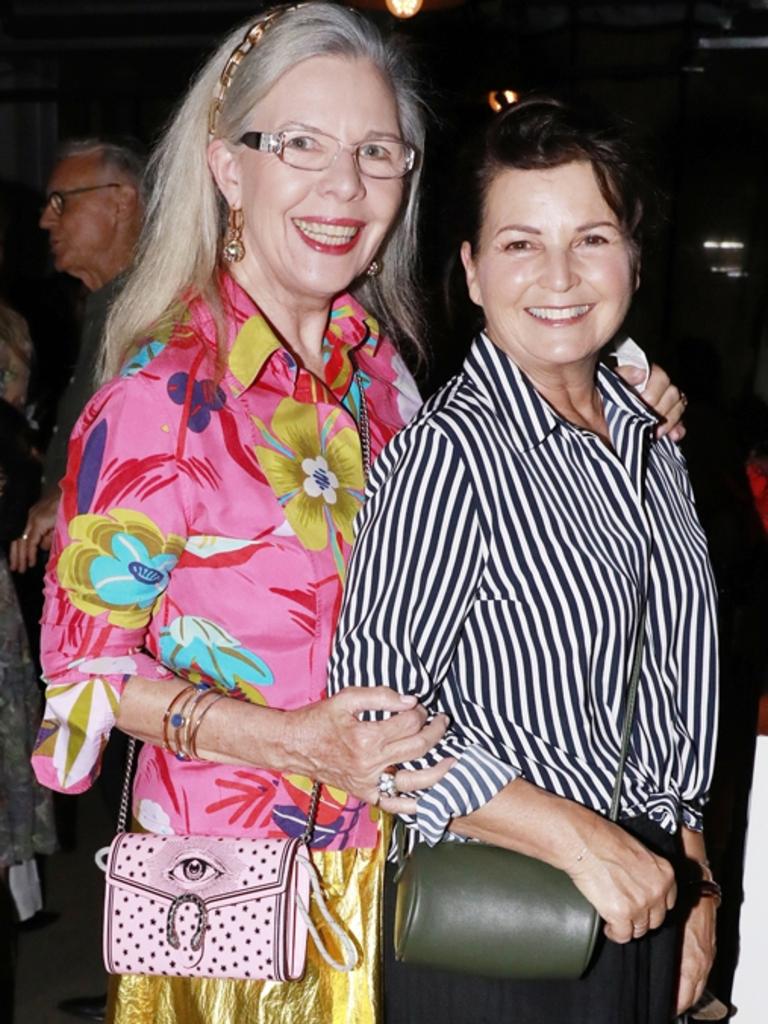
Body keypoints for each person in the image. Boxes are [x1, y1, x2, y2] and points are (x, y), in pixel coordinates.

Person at [31, 8, 685, 1022]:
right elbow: (84, 676)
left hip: (425, 875)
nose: (345, 187)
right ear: (228, 169)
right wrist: (289, 742)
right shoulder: (163, 397)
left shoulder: (382, 374)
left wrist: (624, 397)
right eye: (299, 144)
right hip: (247, 902)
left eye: (377, 151)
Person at [328, 96, 719, 1024]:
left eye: (591, 237)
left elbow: (672, 696)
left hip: (643, 902)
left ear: (632, 255)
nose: (559, 275)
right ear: (469, 269)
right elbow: (374, 731)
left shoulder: (649, 442)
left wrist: (699, 891)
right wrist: (582, 843)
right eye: (518, 243)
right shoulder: (448, 455)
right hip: (501, 932)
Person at [10, 137, 145, 575]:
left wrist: (72, 493)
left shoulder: (158, 306)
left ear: (120, 202)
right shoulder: (103, 303)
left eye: (60, 202)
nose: (46, 220)